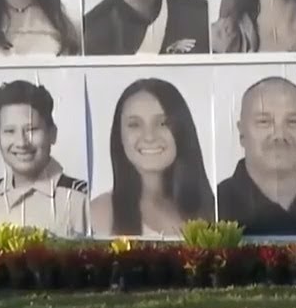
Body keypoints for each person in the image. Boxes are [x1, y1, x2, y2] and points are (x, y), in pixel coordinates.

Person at [217, 77, 296, 235]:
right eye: (264, 122)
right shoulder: (212, 209)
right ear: (242, 133)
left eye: (293, 122)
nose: (279, 135)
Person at [89, 78, 216, 238]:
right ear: (119, 136)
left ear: (182, 130)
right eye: (134, 124)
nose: (149, 136)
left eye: (162, 123)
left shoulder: (212, 210)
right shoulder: (101, 214)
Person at [0, 80, 89, 238]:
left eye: (31, 129)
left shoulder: (81, 199)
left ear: (52, 134)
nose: (22, 143)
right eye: (10, 131)